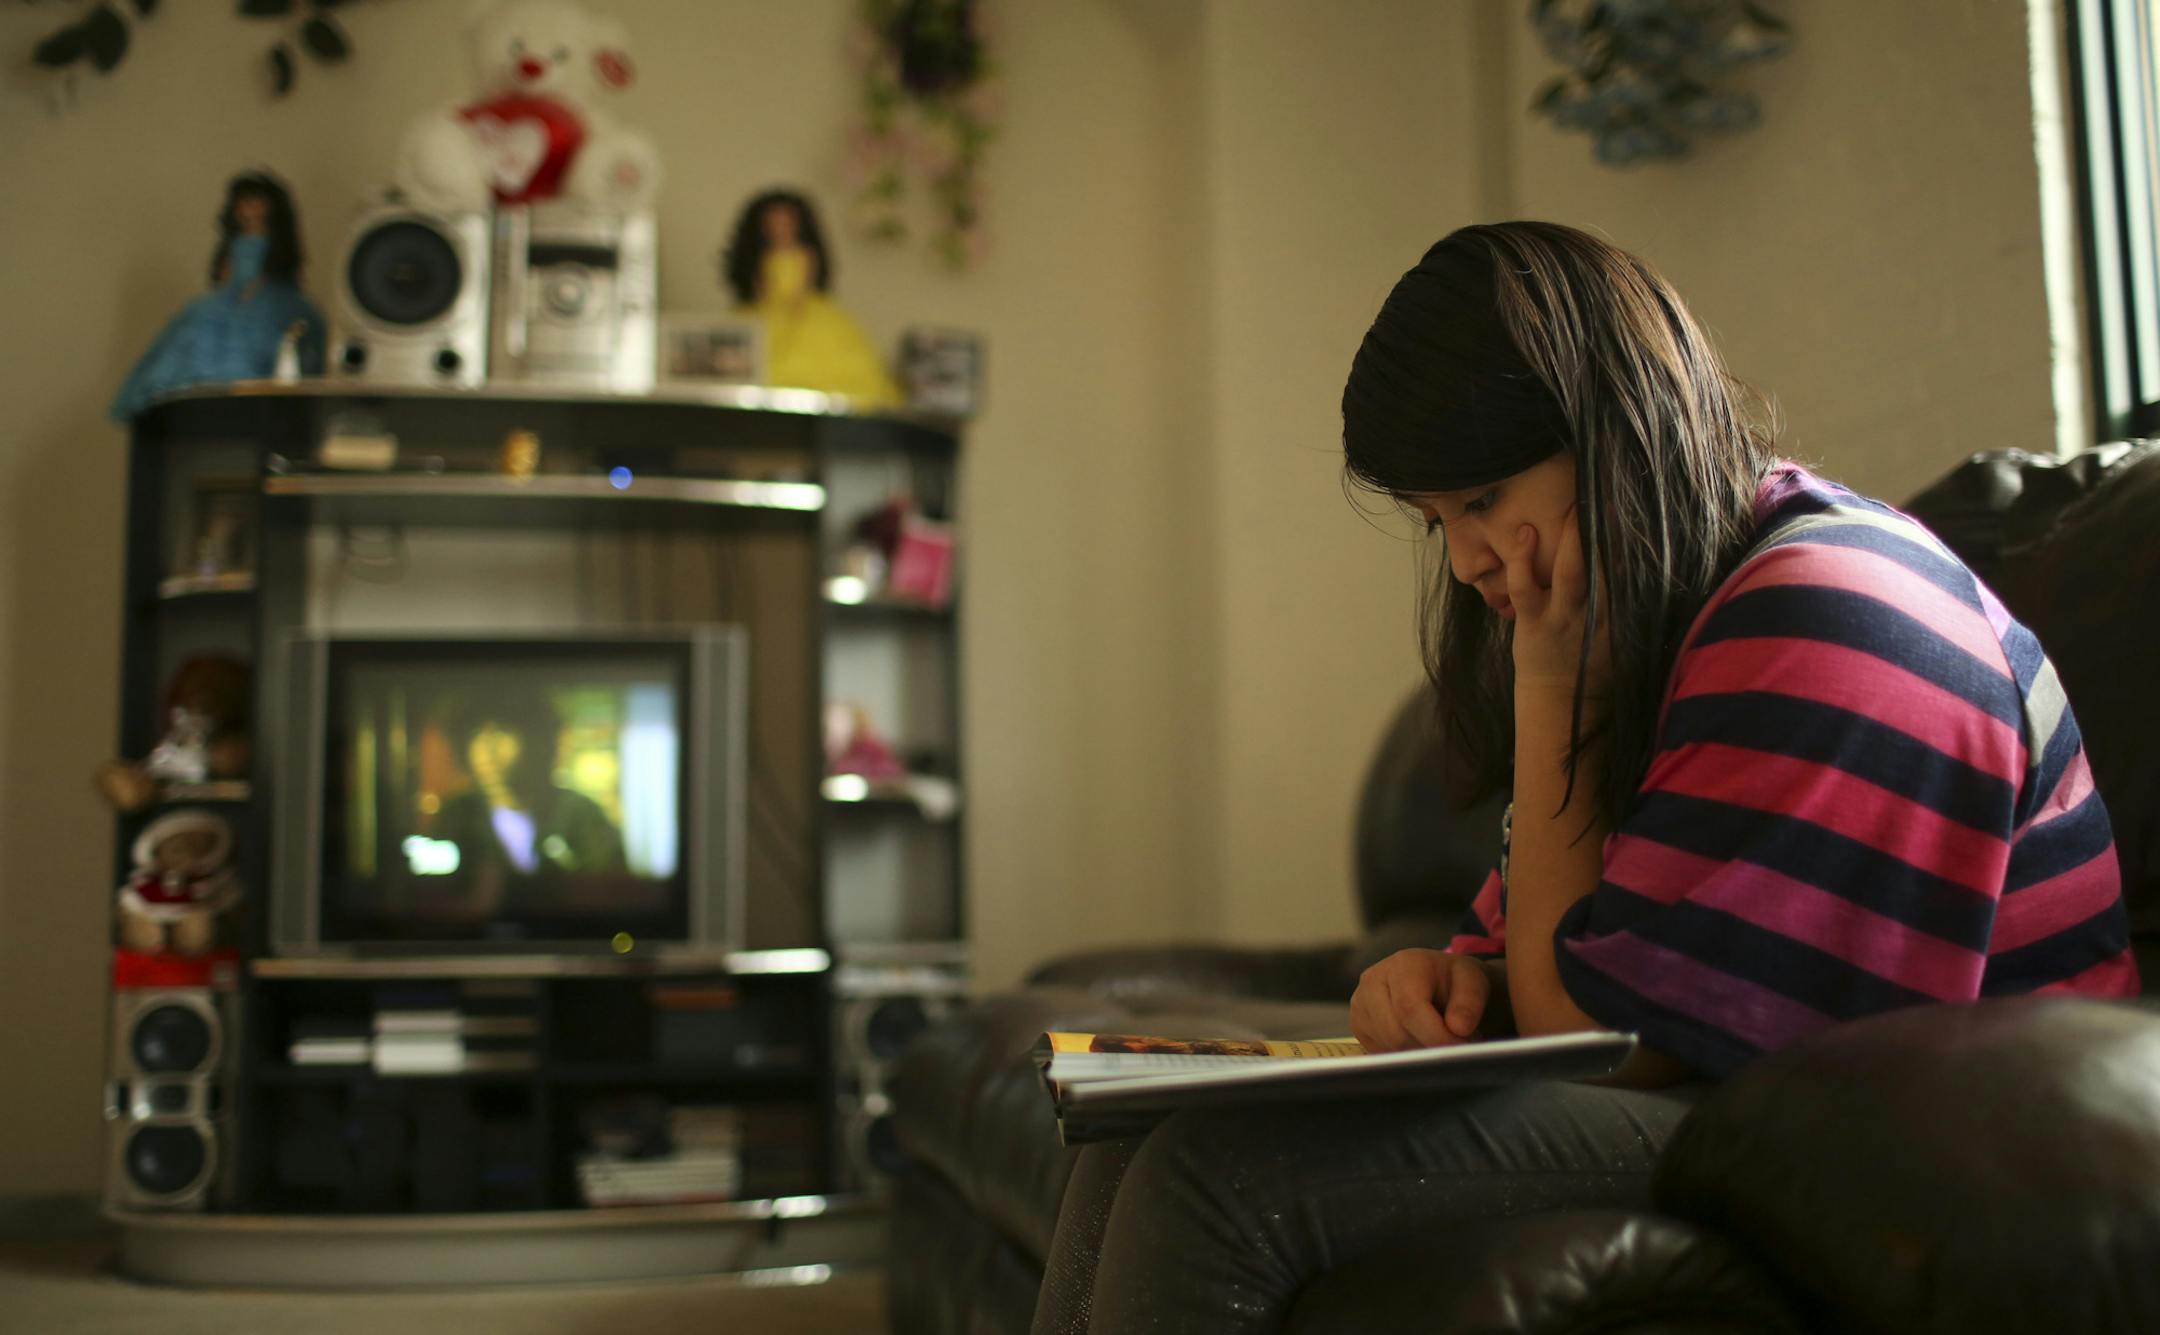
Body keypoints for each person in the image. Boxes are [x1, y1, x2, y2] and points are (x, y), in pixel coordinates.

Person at [1032, 221, 2140, 1334]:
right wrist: (1440, 981)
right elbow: (1539, 967)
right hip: (1732, 1078)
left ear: (1609, 432)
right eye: (1437, 523)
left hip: (1904, 1141)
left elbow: (1599, 1028)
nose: (1465, 560)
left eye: (1480, 501)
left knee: (1215, 1181)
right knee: (1130, 1146)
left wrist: (1554, 681)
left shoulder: (1833, 612)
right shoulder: (1674, 610)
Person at [109, 171, 326, 422]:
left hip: (265, 328)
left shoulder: (288, 307)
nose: (249, 211)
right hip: (223, 317)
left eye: (255, 203)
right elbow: (231, 275)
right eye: (244, 203)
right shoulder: (206, 310)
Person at [428, 690, 626, 907]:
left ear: (536, 739)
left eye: (500, 732)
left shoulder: (581, 813)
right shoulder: (456, 814)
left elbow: (610, 896)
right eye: (476, 734)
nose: (487, 750)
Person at [719, 188, 901, 407]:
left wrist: (796, 305)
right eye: (773, 223)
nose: (780, 228)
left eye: (786, 222)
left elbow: (804, 282)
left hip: (803, 311)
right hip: (767, 314)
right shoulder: (763, 258)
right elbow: (761, 287)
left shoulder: (805, 254)